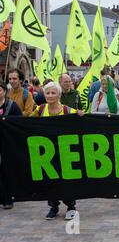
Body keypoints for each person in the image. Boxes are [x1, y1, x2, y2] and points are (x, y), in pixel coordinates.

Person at [30, 82, 83, 220]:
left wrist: (82, 115)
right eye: (47, 93)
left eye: (53, 93)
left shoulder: (68, 111)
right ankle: (53, 206)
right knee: (49, 180)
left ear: (59, 95)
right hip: (46, 154)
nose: (50, 95)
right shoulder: (40, 110)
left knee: (67, 180)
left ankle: (71, 206)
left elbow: (82, 123)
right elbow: (27, 124)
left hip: (65, 153)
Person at [0, 80, 22, 209]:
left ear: (4, 91)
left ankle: (7, 197)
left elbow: (19, 123)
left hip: (8, 142)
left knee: (7, 170)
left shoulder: (11, 106)